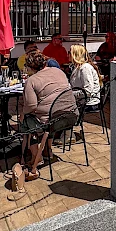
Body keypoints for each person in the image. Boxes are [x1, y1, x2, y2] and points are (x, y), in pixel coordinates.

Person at [21, 51, 77, 181]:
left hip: (50, 121)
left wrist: (22, 113)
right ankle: (48, 150)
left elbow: (31, 106)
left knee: (26, 120)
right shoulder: (58, 71)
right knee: (48, 116)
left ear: (29, 67)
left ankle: (37, 156)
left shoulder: (32, 80)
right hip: (70, 116)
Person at [70, 45, 101, 112]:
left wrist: (70, 94)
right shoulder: (77, 67)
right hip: (81, 101)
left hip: (89, 103)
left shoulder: (85, 68)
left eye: (70, 52)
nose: (68, 54)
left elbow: (88, 91)